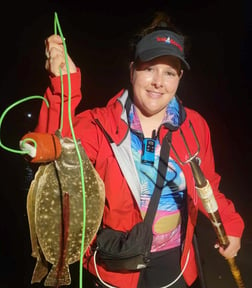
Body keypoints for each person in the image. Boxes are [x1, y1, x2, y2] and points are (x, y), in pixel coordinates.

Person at [34, 11, 244, 288]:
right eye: (149, 68)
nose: (159, 81)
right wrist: (64, 87)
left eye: (169, 72)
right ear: (132, 70)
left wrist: (229, 224)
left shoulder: (194, 126)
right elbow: (51, 156)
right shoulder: (98, 125)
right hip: (116, 262)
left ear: (179, 77)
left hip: (176, 262)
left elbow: (207, 184)